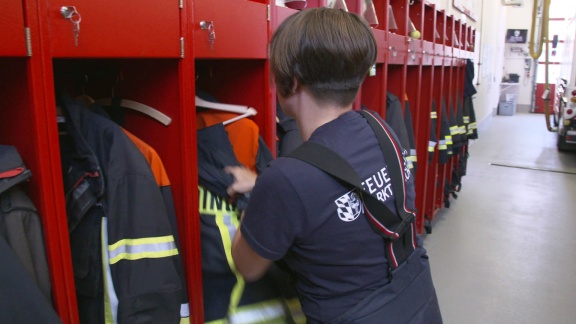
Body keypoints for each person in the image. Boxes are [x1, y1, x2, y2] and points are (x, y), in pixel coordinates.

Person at [226, 7, 442, 323]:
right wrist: (268, 189)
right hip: (414, 304)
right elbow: (337, 189)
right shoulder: (380, 129)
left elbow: (248, 265)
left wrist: (254, 205)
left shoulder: (285, 179)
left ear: (292, 81)